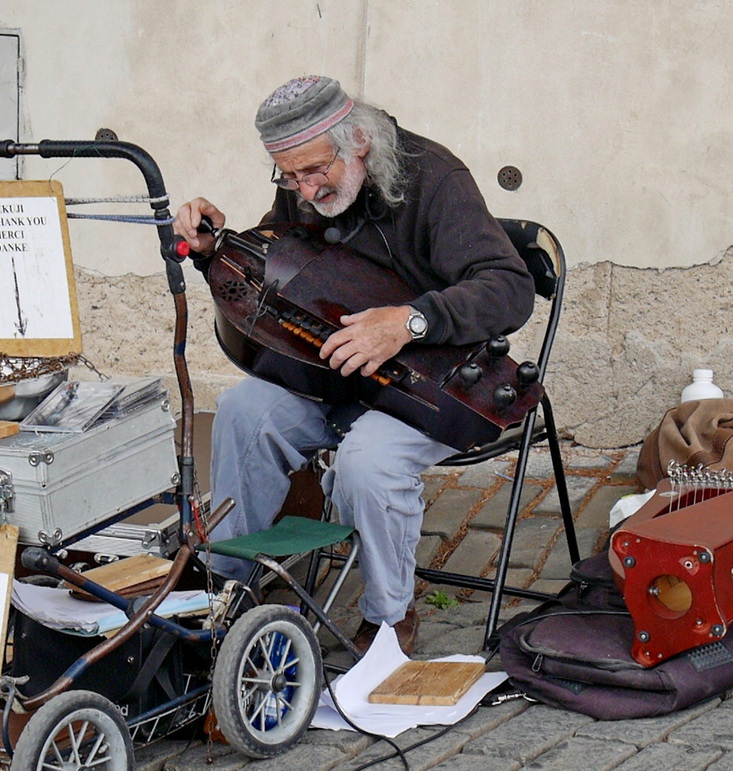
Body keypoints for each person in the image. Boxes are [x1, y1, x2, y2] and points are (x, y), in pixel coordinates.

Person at [174, 75, 535, 655]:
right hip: (335, 370)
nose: (305, 188)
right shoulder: (306, 182)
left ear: (359, 141)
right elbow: (282, 261)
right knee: (243, 410)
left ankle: (390, 615)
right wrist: (217, 249)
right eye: (289, 176)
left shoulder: (436, 181)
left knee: (366, 462)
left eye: (316, 171)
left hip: (432, 378)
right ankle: (224, 589)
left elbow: (510, 289)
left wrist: (409, 321)